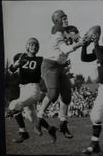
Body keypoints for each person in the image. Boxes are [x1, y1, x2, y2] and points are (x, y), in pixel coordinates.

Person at [36, 10, 84, 143]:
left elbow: (75, 41)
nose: (66, 20)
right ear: (57, 21)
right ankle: (39, 119)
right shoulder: (57, 33)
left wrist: (83, 41)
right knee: (53, 94)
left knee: (67, 95)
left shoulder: (66, 32)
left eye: (66, 17)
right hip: (49, 65)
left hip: (59, 67)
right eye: (63, 18)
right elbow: (66, 49)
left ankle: (63, 124)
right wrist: (79, 43)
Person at [7, 38, 43, 143]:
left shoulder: (40, 60)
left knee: (13, 105)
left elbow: (48, 69)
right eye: (32, 45)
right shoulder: (20, 56)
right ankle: (50, 130)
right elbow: (11, 69)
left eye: (36, 45)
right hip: (23, 89)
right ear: (27, 46)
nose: (34, 47)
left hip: (33, 88)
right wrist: (16, 65)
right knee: (31, 115)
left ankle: (23, 132)